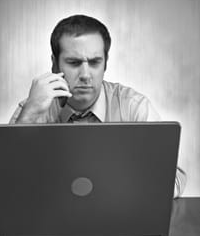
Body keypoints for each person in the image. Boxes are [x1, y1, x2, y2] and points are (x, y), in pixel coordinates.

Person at [10, 14, 186, 198]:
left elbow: (174, 180)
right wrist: (29, 115)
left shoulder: (133, 107)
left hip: (120, 219)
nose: (86, 75)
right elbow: (6, 181)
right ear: (54, 64)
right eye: (74, 62)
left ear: (106, 63)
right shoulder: (33, 108)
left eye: (94, 62)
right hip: (51, 222)